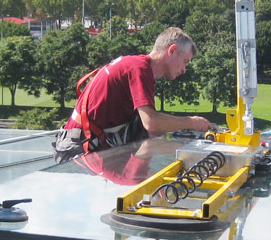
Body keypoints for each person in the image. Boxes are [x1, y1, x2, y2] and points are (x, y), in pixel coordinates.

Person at [53, 27, 212, 162]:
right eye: (185, 62)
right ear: (172, 50)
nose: (184, 70)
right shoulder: (139, 70)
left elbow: (150, 129)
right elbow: (152, 124)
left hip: (83, 144)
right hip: (76, 151)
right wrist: (191, 122)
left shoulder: (137, 67)